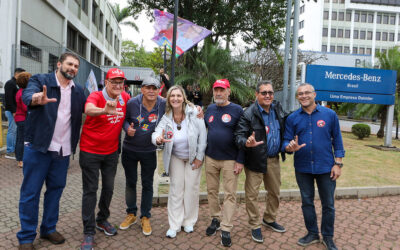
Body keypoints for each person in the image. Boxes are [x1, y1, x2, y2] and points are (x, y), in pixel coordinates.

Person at [17, 52, 86, 250]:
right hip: (39, 147)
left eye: (76, 66)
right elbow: (28, 96)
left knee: (55, 191)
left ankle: (48, 228)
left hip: (62, 151)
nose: (72, 68)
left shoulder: (79, 91)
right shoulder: (41, 80)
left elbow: (89, 106)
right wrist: (37, 98)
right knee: (30, 193)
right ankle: (26, 237)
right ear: (59, 64)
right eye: (69, 64)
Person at [283, 83, 344, 250]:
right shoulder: (292, 118)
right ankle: (312, 233)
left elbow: (338, 140)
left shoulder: (330, 115)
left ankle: (328, 236)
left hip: (326, 167)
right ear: (297, 97)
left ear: (314, 94)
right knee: (307, 202)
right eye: (300, 94)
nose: (303, 96)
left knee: (328, 204)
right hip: (302, 168)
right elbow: (286, 141)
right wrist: (289, 147)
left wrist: (338, 164)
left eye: (306, 93)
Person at [79, 68, 130, 249]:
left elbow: (128, 115)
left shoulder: (125, 97)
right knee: (90, 190)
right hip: (90, 151)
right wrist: (104, 110)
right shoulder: (96, 96)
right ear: (106, 82)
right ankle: (89, 231)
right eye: (113, 81)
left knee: (108, 188)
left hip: (111, 153)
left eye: (120, 82)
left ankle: (102, 220)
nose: (117, 85)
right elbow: (89, 109)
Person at [235, 80, 287, 243]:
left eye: (270, 92)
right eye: (264, 93)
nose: (267, 95)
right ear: (256, 94)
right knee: (252, 195)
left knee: (274, 192)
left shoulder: (277, 108)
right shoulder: (248, 114)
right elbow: (239, 136)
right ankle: (254, 224)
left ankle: (269, 219)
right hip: (255, 160)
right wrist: (246, 142)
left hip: (273, 159)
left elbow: (286, 126)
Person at [152, 85, 206, 238]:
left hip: (193, 157)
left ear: (183, 98)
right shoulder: (166, 116)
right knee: (176, 190)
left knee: (191, 189)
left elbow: (202, 136)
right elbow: (157, 132)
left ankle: (188, 221)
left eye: (178, 95)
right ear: (169, 99)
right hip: (175, 157)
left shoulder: (194, 112)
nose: (175, 98)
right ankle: (174, 224)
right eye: (172, 96)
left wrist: (199, 157)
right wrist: (157, 139)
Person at [119, 77, 166, 236]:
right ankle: (131, 213)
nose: (151, 91)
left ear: (159, 90)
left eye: (155, 88)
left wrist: (197, 110)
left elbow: (181, 103)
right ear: (142, 89)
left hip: (149, 151)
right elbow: (124, 120)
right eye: (148, 87)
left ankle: (145, 216)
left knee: (147, 184)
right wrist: (127, 129)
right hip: (130, 149)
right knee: (131, 182)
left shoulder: (163, 103)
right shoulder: (132, 103)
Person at [204, 79, 244, 247]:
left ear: (229, 91)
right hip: (211, 158)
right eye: (216, 90)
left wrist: (240, 160)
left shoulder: (237, 110)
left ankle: (226, 228)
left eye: (222, 90)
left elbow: (243, 134)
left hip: (230, 160)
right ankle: (215, 218)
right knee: (212, 191)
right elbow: (205, 128)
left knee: (229, 194)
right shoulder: (210, 109)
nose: (218, 93)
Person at [4, 67, 25, 159]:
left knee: (15, 131)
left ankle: (14, 150)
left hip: (16, 111)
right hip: (12, 111)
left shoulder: (17, 84)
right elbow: (8, 98)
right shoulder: (10, 83)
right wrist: (14, 111)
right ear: (17, 74)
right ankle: (9, 151)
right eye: (22, 75)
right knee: (12, 131)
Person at [14, 72, 31, 168]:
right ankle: (20, 160)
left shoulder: (20, 91)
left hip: (19, 118)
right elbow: (26, 108)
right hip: (23, 119)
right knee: (22, 139)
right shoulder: (24, 93)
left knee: (19, 139)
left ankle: (19, 158)